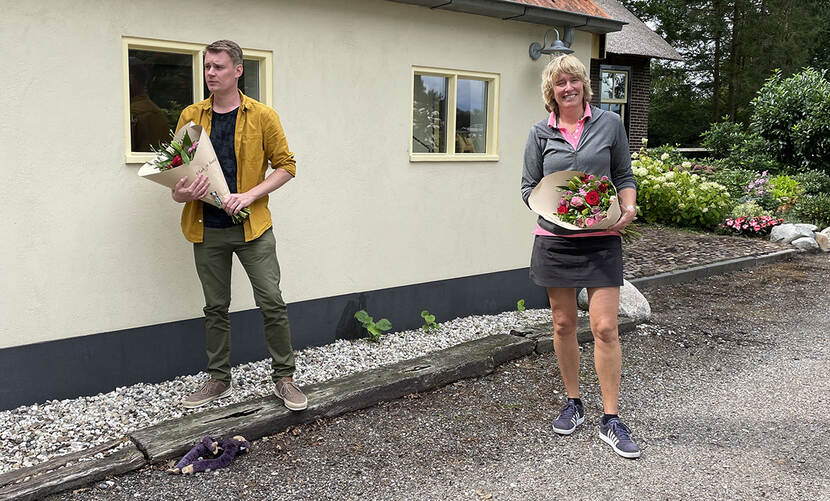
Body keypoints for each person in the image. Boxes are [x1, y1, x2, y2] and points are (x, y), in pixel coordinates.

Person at [172, 40, 306, 412]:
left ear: (238, 70)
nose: (210, 73)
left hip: (253, 229)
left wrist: (249, 195)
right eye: (207, 67)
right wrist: (184, 192)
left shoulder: (263, 116)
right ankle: (218, 379)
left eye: (217, 67)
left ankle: (285, 377)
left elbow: (286, 166)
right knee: (215, 307)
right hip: (206, 228)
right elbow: (177, 183)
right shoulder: (190, 117)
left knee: (272, 302)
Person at [520, 55, 640, 458]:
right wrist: (557, 210)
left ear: (584, 85)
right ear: (550, 92)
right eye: (559, 83)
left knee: (606, 327)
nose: (567, 87)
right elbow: (528, 188)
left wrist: (627, 207)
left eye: (573, 80)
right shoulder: (539, 133)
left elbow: (623, 175)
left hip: (602, 237)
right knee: (563, 323)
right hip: (555, 239)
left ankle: (611, 418)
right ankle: (573, 402)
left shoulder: (610, 125)